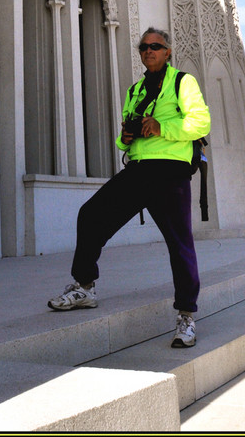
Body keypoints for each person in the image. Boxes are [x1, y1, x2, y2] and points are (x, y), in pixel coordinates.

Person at [48, 27, 211, 348]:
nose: (148, 51)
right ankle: (84, 286)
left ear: (167, 52)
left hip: (171, 172)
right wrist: (126, 135)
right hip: (138, 170)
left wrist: (162, 126)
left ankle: (186, 317)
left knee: (180, 245)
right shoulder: (135, 90)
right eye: (143, 47)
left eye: (156, 46)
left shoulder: (183, 82)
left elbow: (201, 122)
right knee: (91, 214)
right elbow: (124, 137)